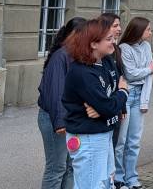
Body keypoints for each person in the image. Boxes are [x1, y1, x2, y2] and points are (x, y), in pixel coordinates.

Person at [62, 18, 128, 189]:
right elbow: (111, 102)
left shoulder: (106, 61)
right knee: (92, 185)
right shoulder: (82, 72)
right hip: (88, 137)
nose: (113, 41)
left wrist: (104, 107)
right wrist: (122, 93)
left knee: (106, 182)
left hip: (102, 133)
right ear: (93, 44)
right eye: (108, 39)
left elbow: (110, 98)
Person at [37, 17, 85, 189]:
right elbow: (55, 93)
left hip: (72, 118)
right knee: (56, 168)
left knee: (70, 167)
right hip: (56, 119)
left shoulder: (77, 55)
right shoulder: (61, 56)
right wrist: (60, 122)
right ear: (75, 35)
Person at [114, 17, 153, 189]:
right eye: (148, 29)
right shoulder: (124, 48)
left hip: (139, 96)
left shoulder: (146, 46)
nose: (150, 33)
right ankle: (118, 177)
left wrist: (145, 101)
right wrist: (147, 70)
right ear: (139, 31)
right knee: (121, 141)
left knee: (134, 141)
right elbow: (130, 74)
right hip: (127, 95)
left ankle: (131, 177)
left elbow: (149, 75)